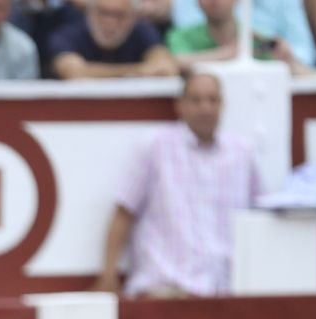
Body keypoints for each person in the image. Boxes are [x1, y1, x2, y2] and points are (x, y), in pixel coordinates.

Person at [96, 70, 260, 298]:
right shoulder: (155, 146)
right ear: (180, 105)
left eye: (213, 100)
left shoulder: (242, 152)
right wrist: (108, 277)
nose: (205, 108)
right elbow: (124, 212)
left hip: (225, 289)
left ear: (223, 105)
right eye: (196, 100)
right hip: (166, 287)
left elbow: (260, 217)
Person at [167, 0, 312, 69]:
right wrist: (230, 53)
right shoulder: (181, 36)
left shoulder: (257, 39)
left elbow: (307, 77)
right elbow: (175, 63)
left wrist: (289, 61)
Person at [49, 0, 177, 77]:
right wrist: (138, 70)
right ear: (90, 12)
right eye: (104, 13)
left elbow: (166, 67)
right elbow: (73, 72)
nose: (110, 22)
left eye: (119, 15)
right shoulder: (68, 34)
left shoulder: (142, 31)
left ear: (133, 16)